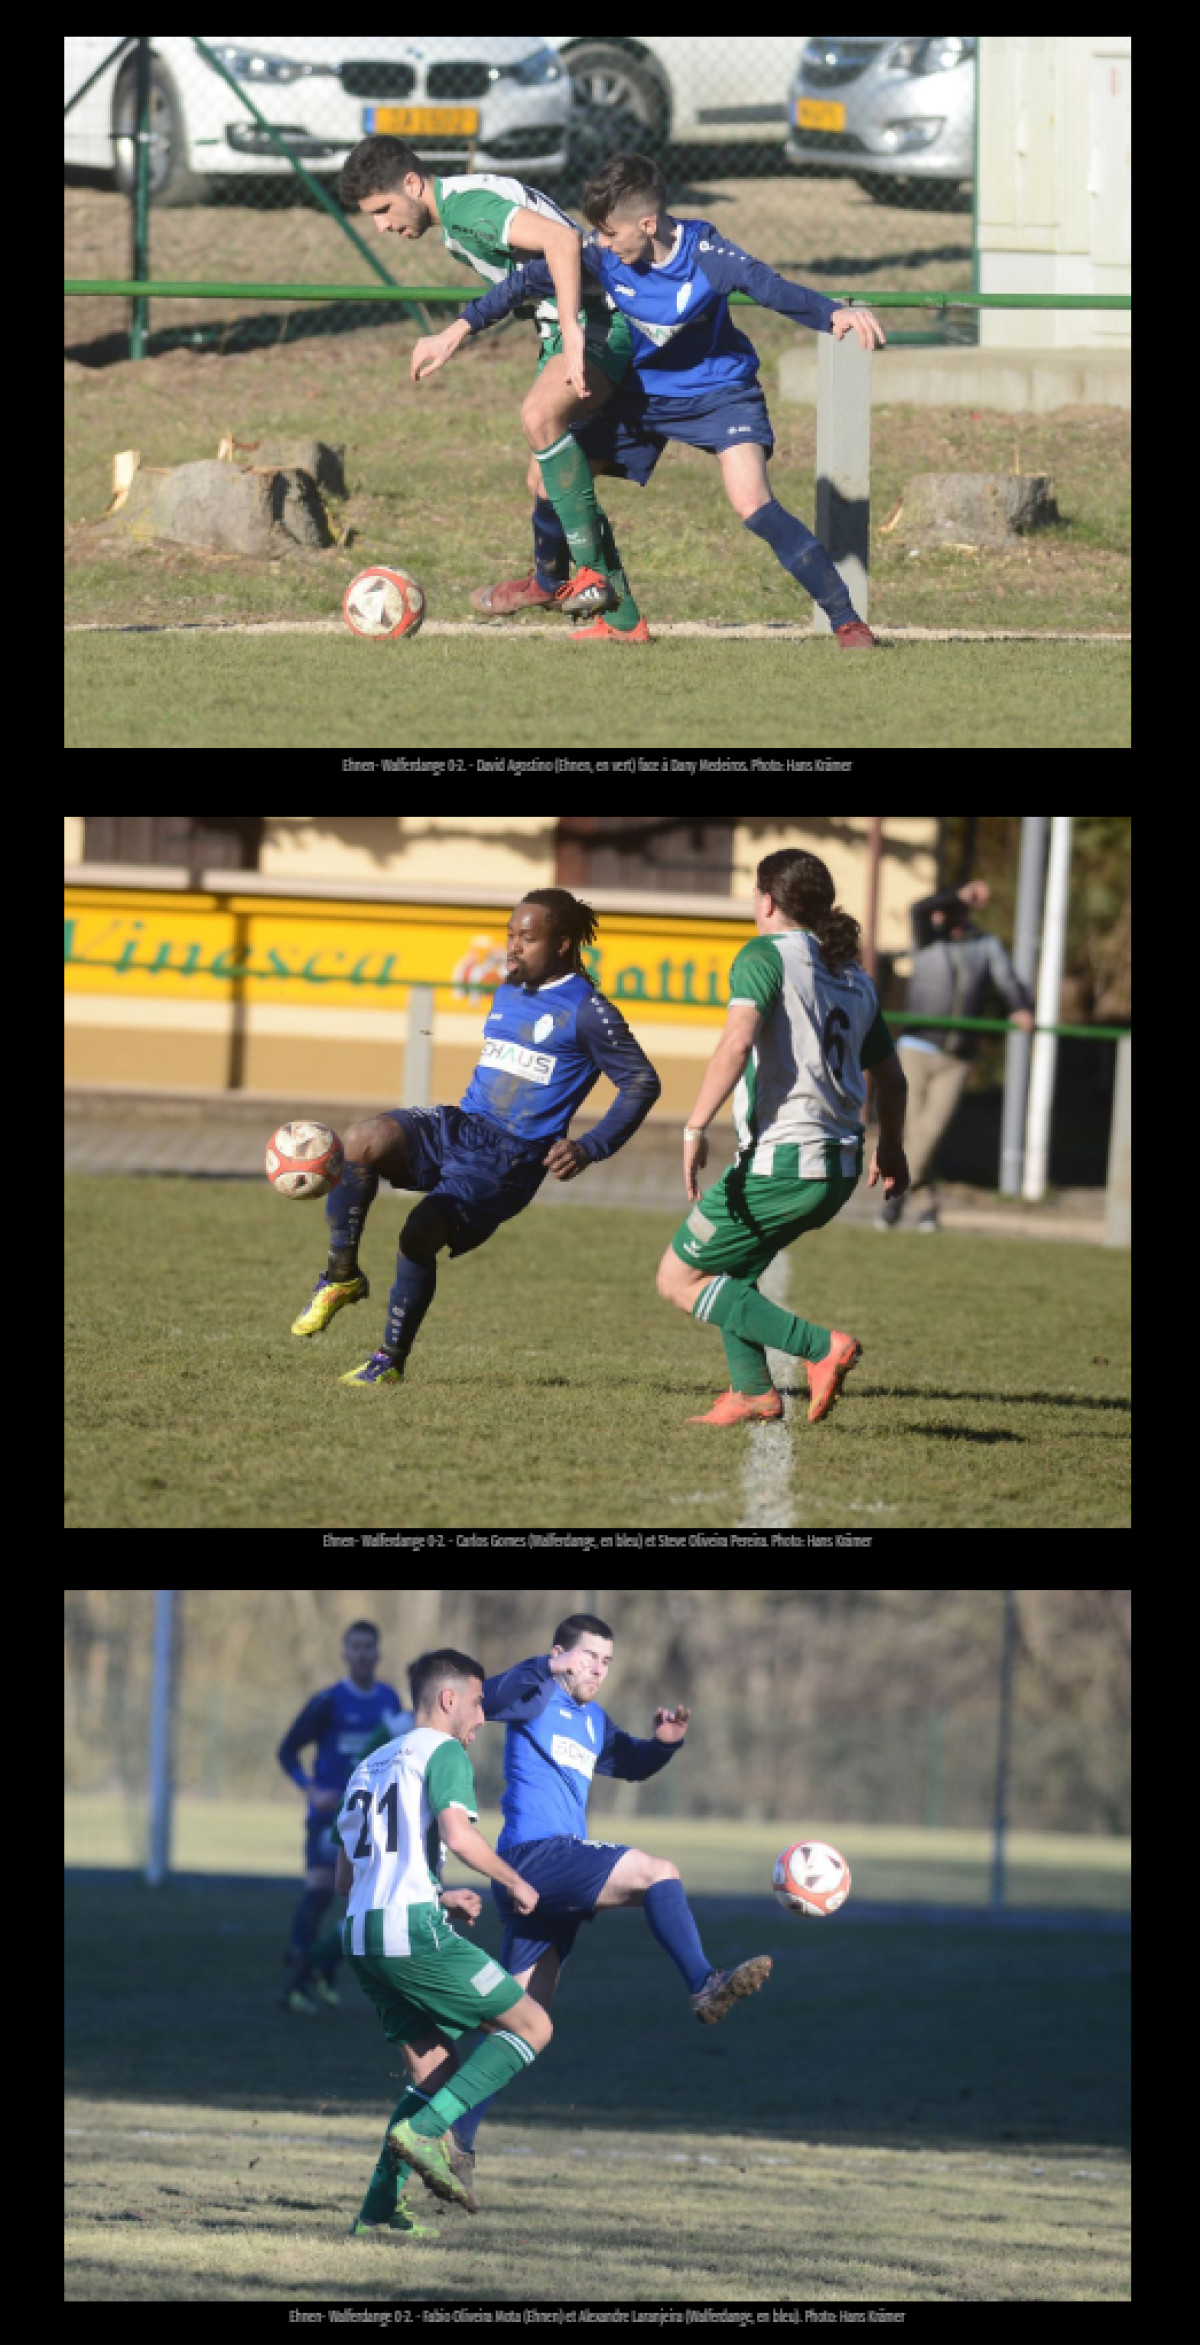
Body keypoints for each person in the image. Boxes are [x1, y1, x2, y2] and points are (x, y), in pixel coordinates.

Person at [414, 151, 886, 646]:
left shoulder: (706, 254)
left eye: (611, 233)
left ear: (647, 222)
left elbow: (769, 286)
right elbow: (522, 284)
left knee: (753, 502)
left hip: (719, 393)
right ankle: (552, 585)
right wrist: (455, 331)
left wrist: (832, 314)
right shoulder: (603, 254)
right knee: (547, 476)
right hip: (640, 396)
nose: (601, 243)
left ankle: (846, 620)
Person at [444, 1610, 772, 2199]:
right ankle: (704, 1983)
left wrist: (664, 1747)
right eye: (588, 1656)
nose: (597, 1668)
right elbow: (482, 1698)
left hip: (551, 1879)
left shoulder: (593, 1722)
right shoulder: (534, 1692)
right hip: (538, 1855)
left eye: (605, 1661)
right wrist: (545, 1666)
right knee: (658, 1872)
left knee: (523, 2025)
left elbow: (631, 1761)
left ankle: (451, 2134)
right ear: (561, 1653)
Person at [291, 890, 661, 1388]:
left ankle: (389, 1360)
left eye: (527, 938)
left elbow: (642, 1082)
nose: (513, 947)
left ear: (563, 944)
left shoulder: (590, 1011)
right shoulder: (510, 987)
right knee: (360, 1141)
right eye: (510, 935)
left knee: (418, 1233)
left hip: (510, 1158)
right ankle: (341, 1276)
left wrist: (590, 1146)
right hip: (461, 1125)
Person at [337, 135, 645, 634]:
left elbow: (564, 242)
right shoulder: (459, 213)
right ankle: (620, 616)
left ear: (413, 183)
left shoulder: (468, 208)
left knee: (538, 417)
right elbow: (526, 279)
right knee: (546, 483)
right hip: (574, 326)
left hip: (602, 322)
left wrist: (568, 331)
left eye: (384, 208)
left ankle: (572, 581)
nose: (382, 225)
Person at [656, 847, 909, 1426]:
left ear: (767, 900)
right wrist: (892, 1147)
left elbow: (736, 1044)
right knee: (733, 1273)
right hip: (840, 1165)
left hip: (786, 1164)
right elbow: (892, 1079)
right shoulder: (854, 976)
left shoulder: (764, 954)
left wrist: (694, 1126)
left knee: (676, 1277)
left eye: (754, 893)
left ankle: (821, 1348)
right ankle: (753, 1392)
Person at [337, 1647, 553, 2235]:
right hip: (409, 1930)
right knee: (532, 2026)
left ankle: (379, 2214)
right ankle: (426, 2134)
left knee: (434, 2075)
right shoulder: (443, 1752)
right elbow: (459, 1837)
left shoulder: (369, 1763)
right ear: (450, 1699)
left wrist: (437, 1894)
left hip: (360, 1936)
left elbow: (346, 1877)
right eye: (480, 1702)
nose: (484, 1717)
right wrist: (513, 1878)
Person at [881, 880, 1035, 1232]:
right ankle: (926, 1205)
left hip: (957, 1056)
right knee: (910, 1129)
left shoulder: (986, 945)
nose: (951, 912)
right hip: (917, 1046)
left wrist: (1021, 1008)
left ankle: (900, 1193)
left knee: (931, 1130)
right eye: (950, 905)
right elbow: (918, 909)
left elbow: (1008, 982)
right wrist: (959, 894)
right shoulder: (927, 938)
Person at [275, 1620, 406, 2013]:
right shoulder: (328, 1701)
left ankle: (323, 1972)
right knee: (317, 1893)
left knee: (361, 1905)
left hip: (370, 1819)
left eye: (369, 1646)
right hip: (330, 1817)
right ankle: (296, 1982)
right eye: (356, 1646)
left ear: (378, 1654)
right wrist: (311, 1789)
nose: (363, 1653)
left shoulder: (389, 1700)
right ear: (345, 1653)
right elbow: (287, 1751)